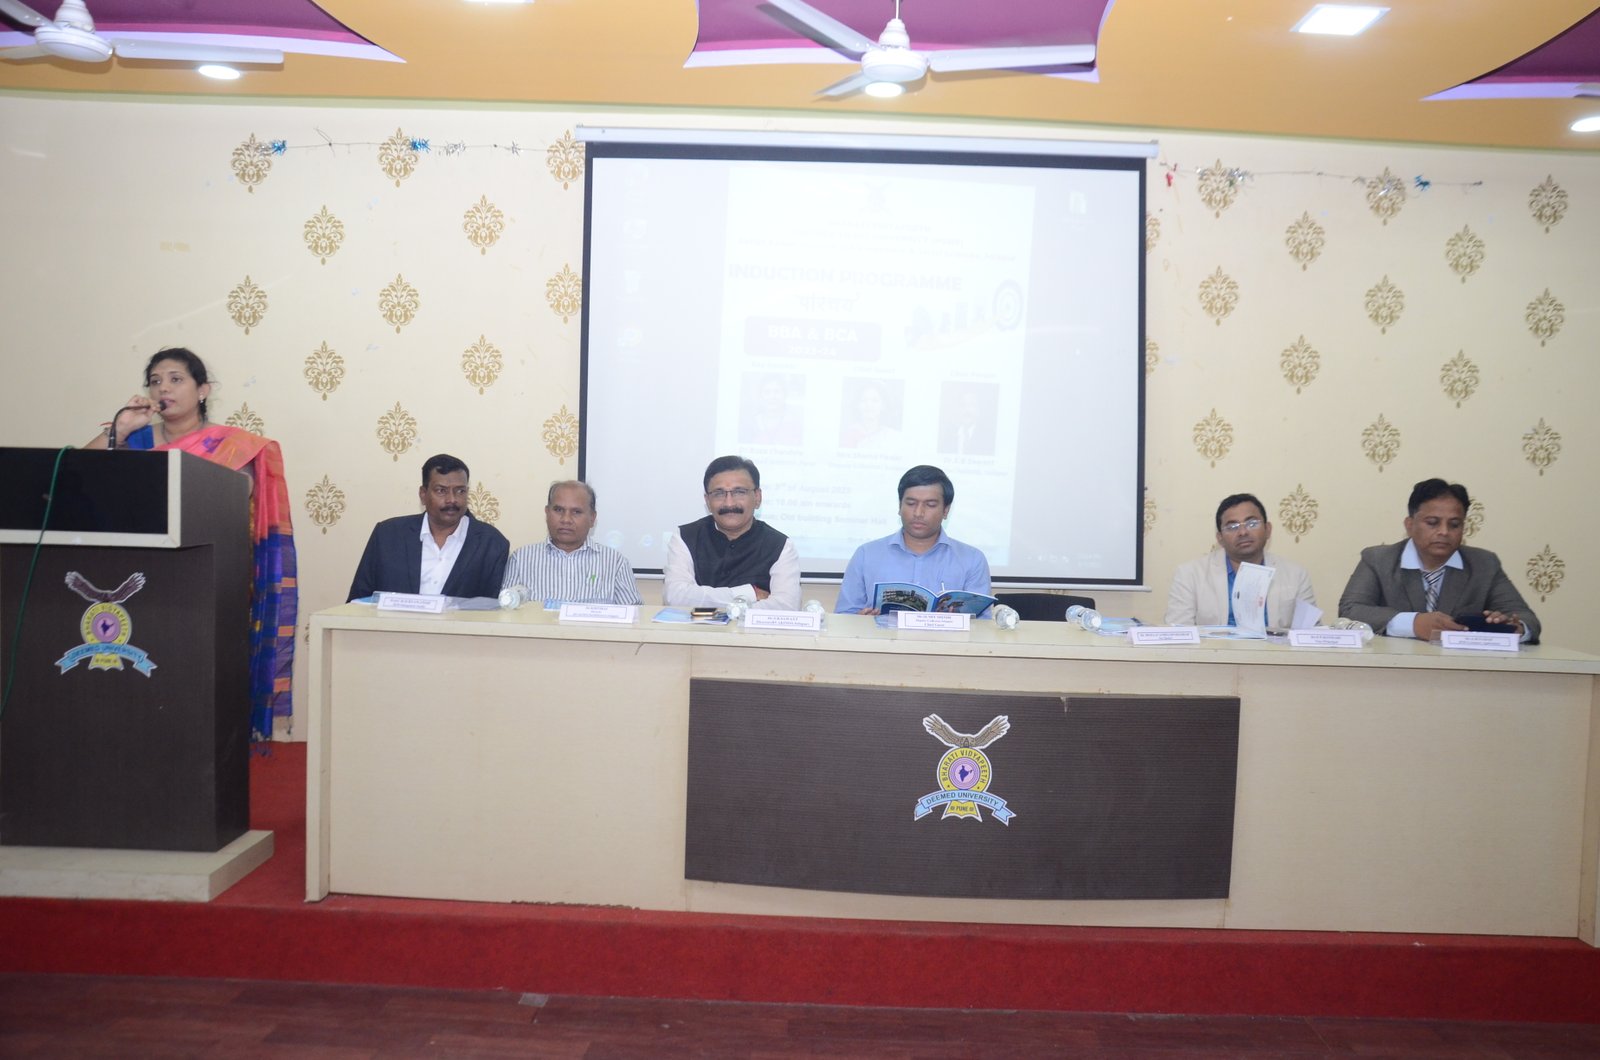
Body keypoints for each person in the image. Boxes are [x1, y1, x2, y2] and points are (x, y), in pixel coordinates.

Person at [84, 347, 296, 742]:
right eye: (155, 381)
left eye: (176, 379)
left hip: (205, 582)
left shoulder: (231, 447)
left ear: (203, 390)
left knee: (196, 687)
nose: (163, 388)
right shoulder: (134, 441)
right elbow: (79, 475)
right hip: (139, 581)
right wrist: (121, 429)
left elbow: (231, 501)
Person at [1338, 478, 1539, 642]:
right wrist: (1413, 624)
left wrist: (1515, 628)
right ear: (1409, 525)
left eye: (1454, 525)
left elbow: (1527, 618)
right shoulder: (1378, 560)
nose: (1444, 532)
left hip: (1462, 670)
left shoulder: (1484, 564)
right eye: (1433, 523)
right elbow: (1350, 610)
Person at [347, 454, 509, 601]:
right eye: (441, 491)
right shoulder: (387, 536)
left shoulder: (492, 544)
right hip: (393, 625)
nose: (452, 500)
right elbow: (358, 602)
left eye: (460, 491)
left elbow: (491, 611)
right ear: (423, 494)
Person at [836, 465, 991, 614]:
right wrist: (861, 620)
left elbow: (982, 623)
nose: (918, 513)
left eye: (930, 505)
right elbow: (844, 615)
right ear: (899, 506)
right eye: (911, 503)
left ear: (946, 510)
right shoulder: (866, 554)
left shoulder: (972, 559)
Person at [664, 455, 800, 611]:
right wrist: (750, 594)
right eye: (719, 493)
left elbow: (787, 606)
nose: (729, 503)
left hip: (751, 629)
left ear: (757, 497)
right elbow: (675, 597)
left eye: (739, 492)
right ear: (707, 501)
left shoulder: (780, 545)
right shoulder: (685, 537)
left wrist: (707, 600)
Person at [1164, 493, 1317, 627]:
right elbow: (1178, 634)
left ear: (1268, 529)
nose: (1243, 532)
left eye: (1252, 524)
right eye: (1232, 527)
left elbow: (1309, 634)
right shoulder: (1189, 575)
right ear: (1220, 538)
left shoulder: (1296, 575)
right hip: (1215, 651)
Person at [501, 480, 641, 605]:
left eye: (576, 512)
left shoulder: (615, 563)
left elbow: (633, 616)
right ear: (547, 513)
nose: (566, 519)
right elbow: (507, 612)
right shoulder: (521, 559)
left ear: (592, 518)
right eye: (558, 510)